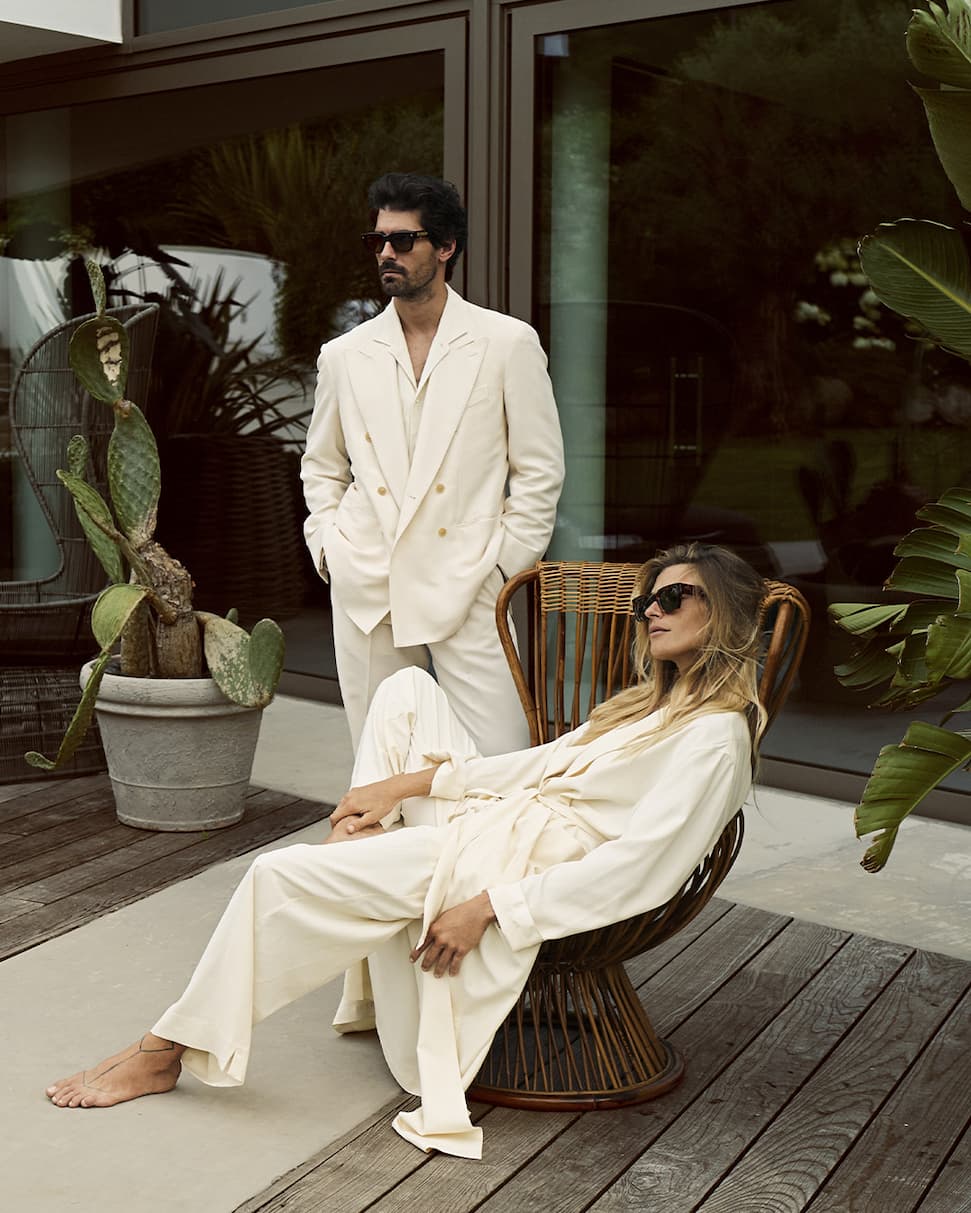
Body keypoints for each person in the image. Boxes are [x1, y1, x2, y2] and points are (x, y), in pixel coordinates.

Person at [46, 543, 766, 1161]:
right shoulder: (649, 704)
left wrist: (488, 908)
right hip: (503, 818)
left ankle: (163, 1050)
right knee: (404, 688)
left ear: (725, 615)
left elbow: (644, 868)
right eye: (647, 596)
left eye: (674, 595)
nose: (650, 609)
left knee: (278, 874)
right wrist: (408, 782)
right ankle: (355, 852)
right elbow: (536, 765)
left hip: (512, 863)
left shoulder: (715, 737)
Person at [301, 171, 564, 758]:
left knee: (502, 757)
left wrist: (500, 568)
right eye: (377, 242)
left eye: (403, 241)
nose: (387, 254)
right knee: (380, 764)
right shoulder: (344, 356)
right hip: (370, 580)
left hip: (467, 578)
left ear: (445, 247)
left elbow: (540, 471)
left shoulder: (506, 343)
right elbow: (322, 465)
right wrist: (330, 547)